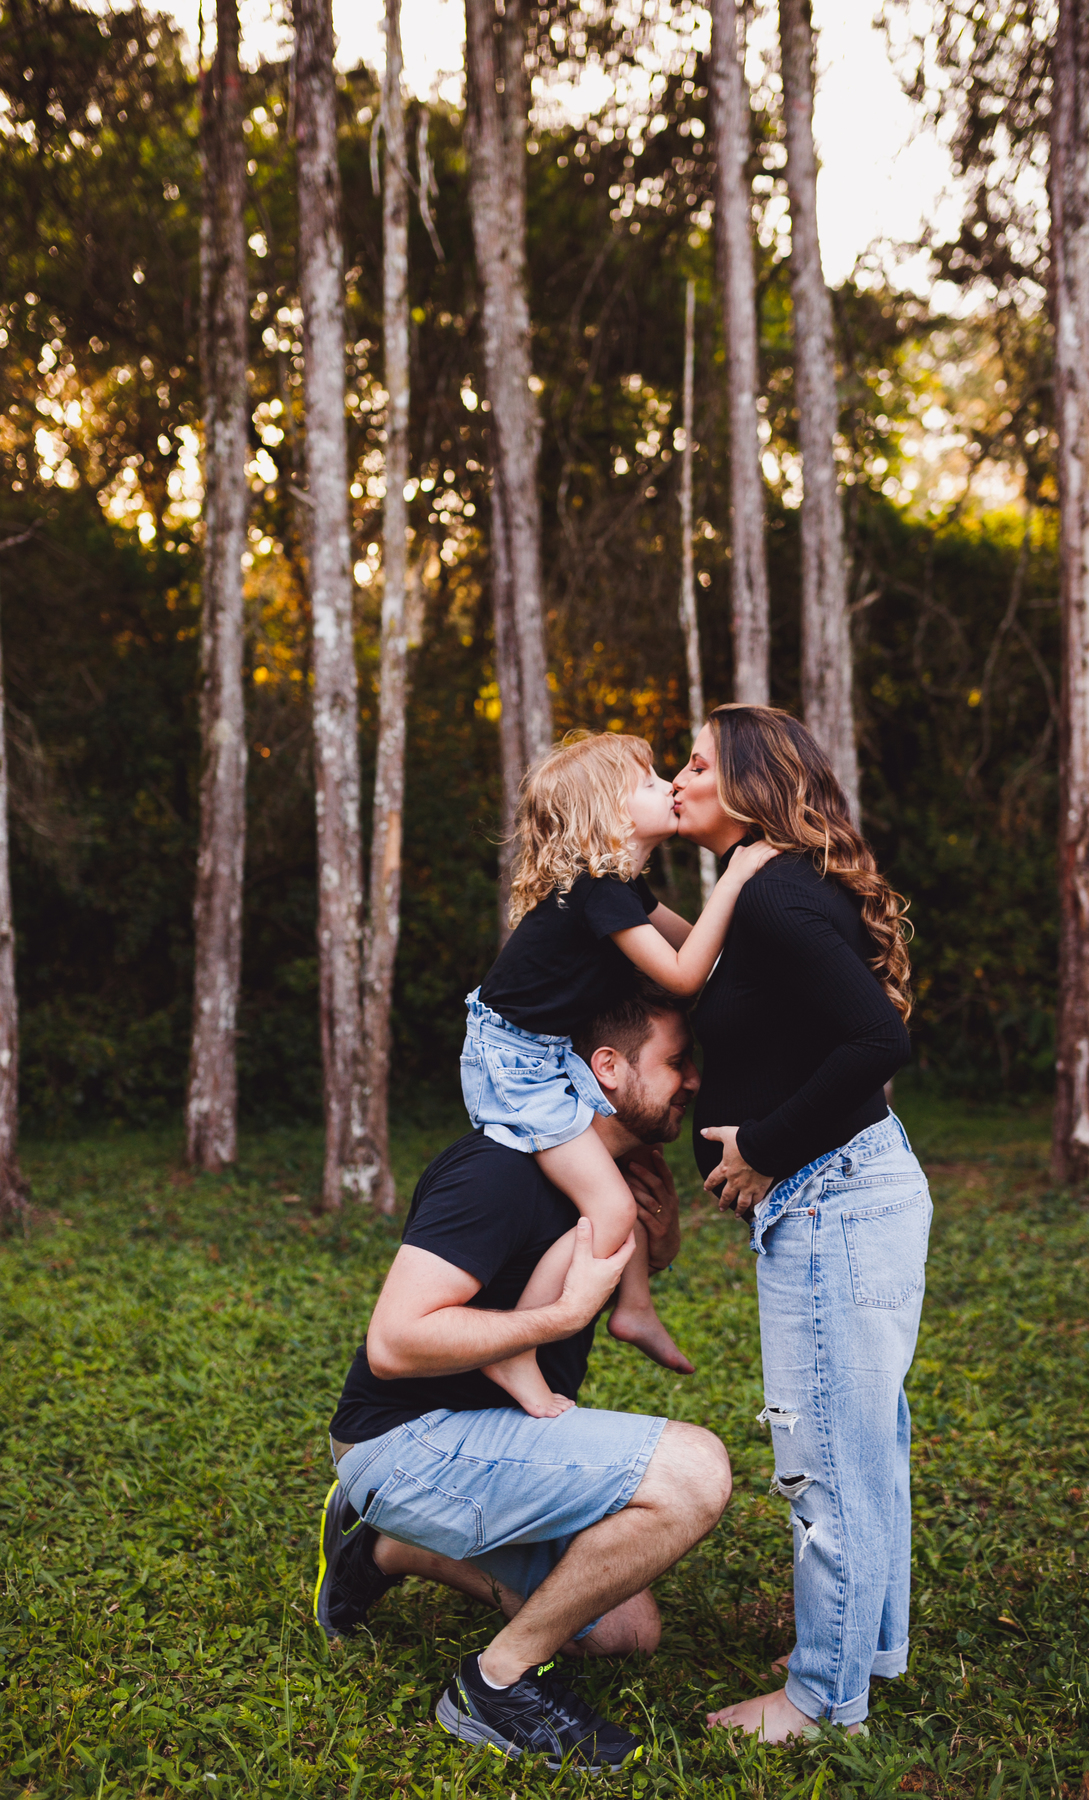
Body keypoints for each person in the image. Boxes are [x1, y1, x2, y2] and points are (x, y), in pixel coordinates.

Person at [313, 987, 732, 1772]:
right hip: (405, 1442)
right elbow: (394, 1343)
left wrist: (663, 1238)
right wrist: (557, 1318)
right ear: (607, 1068)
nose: (694, 1080)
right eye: (677, 1061)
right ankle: (494, 1686)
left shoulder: (606, 1177)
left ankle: (380, 1550)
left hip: (491, 1437)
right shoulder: (497, 1171)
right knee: (696, 1471)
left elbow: (607, 1272)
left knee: (625, 1633)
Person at [672, 704, 929, 1745]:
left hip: (832, 1199)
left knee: (827, 1454)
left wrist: (764, 1147)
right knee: (865, 1447)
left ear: (747, 783)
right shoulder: (774, 886)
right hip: (852, 1195)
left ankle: (823, 1703)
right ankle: (867, 1649)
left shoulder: (776, 896)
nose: (678, 779)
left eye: (696, 763)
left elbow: (876, 1041)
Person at [462, 730, 775, 1416]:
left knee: (627, 1171)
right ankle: (515, 1348)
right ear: (609, 816)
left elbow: (702, 948)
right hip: (514, 1065)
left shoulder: (623, 889)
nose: (670, 785)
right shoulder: (598, 892)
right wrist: (738, 876)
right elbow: (684, 974)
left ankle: (633, 1307)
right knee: (608, 1206)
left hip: (545, 1051)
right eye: (649, 781)